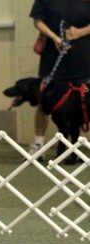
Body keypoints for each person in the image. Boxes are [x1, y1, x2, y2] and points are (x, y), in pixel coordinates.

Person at [29, 0, 90, 158]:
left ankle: (77, 147)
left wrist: (79, 32)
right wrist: (55, 38)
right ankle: (38, 145)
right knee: (44, 101)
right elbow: (38, 20)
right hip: (53, 55)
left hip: (83, 56)